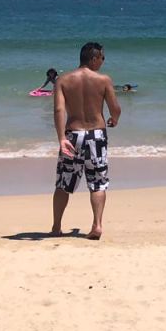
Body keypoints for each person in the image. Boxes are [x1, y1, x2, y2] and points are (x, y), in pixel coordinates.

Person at [51, 42, 121, 239]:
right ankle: (97, 225)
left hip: (73, 136)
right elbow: (115, 108)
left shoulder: (63, 80)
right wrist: (114, 120)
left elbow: (58, 110)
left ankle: (56, 227)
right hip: (96, 136)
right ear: (94, 58)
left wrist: (61, 138)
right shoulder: (104, 80)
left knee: (64, 183)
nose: (103, 62)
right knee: (98, 183)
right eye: (102, 58)